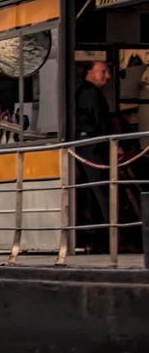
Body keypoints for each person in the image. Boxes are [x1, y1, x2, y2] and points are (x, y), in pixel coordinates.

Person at [73, 60, 117, 251]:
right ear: (89, 72)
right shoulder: (91, 93)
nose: (108, 76)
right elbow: (101, 122)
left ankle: (98, 238)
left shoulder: (82, 93)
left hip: (86, 147)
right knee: (102, 192)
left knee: (91, 193)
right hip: (93, 147)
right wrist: (114, 144)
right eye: (103, 71)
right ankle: (111, 237)